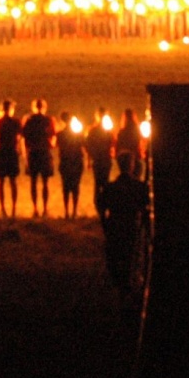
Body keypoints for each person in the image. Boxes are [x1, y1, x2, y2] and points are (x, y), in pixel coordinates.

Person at [98, 154, 150, 297]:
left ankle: (118, 284)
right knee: (129, 257)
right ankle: (125, 285)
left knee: (115, 255)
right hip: (131, 226)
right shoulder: (138, 187)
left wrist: (105, 225)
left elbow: (102, 208)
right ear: (132, 165)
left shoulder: (111, 187)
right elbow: (145, 209)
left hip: (114, 225)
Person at [21, 99, 57, 218]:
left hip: (33, 152)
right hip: (44, 152)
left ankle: (35, 208)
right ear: (44, 107)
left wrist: (25, 154)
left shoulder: (29, 120)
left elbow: (24, 137)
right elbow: (53, 135)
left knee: (33, 182)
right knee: (45, 182)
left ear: (33, 107)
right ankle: (45, 208)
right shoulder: (48, 120)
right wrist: (50, 144)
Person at [0, 100, 23, 218]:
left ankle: (2, 208)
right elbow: (20, 137)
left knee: (0, 182)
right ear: (11, 109)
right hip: (11, 151)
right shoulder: (16, 122)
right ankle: (13, 209)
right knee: (13, 181)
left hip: (1, 152)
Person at [84, 109, 115, 213]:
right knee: (104, 182)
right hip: (104, 159)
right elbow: (112, 143)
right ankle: (104, 204)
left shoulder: (93, 130)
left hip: (99, 159)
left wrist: (89, 159)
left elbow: (88, 146)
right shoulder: (103, 131)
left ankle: (99, 204)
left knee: (99, 182)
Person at [57, 111, 86, 218]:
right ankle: (74, 210)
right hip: (77, 161)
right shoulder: (78, 134)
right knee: (75, 186)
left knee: (66, 186)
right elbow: (84, 145)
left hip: (65, 161)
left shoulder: (60, 134)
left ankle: (66, 211)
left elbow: (57, 145)